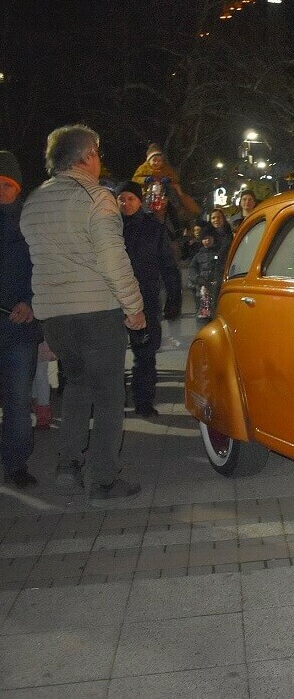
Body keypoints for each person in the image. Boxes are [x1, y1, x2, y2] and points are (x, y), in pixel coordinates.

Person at [20, 125, 145, 501]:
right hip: (97, 313)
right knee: (109, 396)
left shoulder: (34, 201)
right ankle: (104, 479)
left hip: (55, 317)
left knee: (76, 385)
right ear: (88, 155)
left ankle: (67, 465)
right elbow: (113, 260)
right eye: (97, 154)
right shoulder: (97, 198)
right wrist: (134, 308)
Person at [116, 181, 182, 417]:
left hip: (146, 299)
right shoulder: (109, 227)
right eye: (121, 199)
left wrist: (174, 297)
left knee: (145, 353)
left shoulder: (153, 228)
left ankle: (143, 401)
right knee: (113, 355)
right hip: (114, 300)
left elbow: (168, 265)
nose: (126, 204)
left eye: (130, 199)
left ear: (139, 201)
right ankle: (115, 401)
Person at [0, 150, 42, 488]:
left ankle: (15, 463)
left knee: (17, 401)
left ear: (18, 187)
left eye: (7, 184)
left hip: (20, 329)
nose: (1, 190)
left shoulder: (32, 222)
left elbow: (43, 268)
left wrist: (30, 302)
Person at [188, 230, 223, 319]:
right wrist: (197, 279)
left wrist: (217, 280)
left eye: (209, 238)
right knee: (202, 316)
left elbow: (222, 268)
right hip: (201, 289)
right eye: (204, 239)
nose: (207, 241)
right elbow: (192, 269)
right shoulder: (198, 256)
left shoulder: (219, 253)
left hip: (216, 288)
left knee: (217, 314)